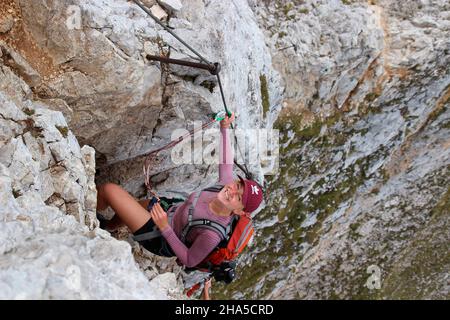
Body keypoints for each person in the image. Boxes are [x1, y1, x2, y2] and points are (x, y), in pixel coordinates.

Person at [96, 112, 263, 268]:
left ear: (239, 211)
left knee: (109, 191)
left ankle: (88, 211)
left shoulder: (212, 234)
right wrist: (225, 128)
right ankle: (108, 227)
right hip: (169, 209)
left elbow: (190, 260)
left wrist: (164, 227)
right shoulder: (225, 186)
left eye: (239, 198)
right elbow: (226, 163)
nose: (232, 191)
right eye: (238, 186)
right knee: (127, 209)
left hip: (161, 237)